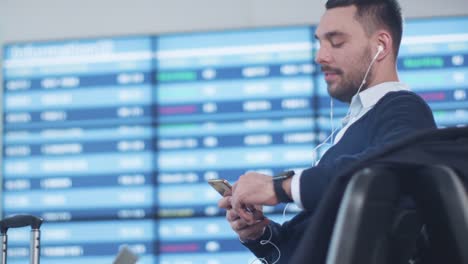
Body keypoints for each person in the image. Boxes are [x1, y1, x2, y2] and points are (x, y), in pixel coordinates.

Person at [218, 0, 437, 263]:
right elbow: (306, 247)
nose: (320, 56)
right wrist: (260, 234)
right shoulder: (355, 127)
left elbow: (386, 173)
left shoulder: (403, 108)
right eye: (320, 42)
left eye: (336, 42)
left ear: (381, 45)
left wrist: (279, 187)